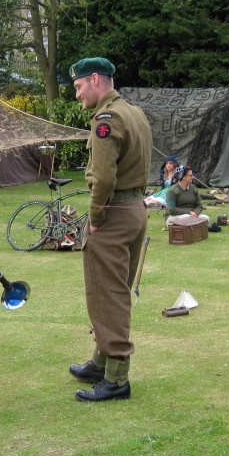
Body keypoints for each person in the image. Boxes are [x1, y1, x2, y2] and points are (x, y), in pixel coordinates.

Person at [67, 57, 152, 402]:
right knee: (115, 288)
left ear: (96, 80)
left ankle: (116, 378)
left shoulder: (107, 118)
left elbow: (102, 178)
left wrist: (96, 217)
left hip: (113, 213)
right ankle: (101, 361)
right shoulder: (134, 111)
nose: (77, 94)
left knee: (108, 294)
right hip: (134, 209)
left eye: (78, 86)